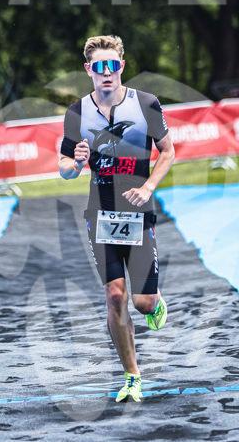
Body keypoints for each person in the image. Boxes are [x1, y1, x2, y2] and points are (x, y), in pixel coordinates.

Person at [59, 35, 175, 403]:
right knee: (114, 295)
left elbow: (168, 152)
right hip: (100, 213)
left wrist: (149, 186)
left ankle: (155, 301)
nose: (106, 72)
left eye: (112, 65)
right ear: (88, 70)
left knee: (142, 303)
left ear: (121, 66)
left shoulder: (146, 104)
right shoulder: (77, 112)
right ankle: (132, 376)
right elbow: (63, 167)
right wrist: (76, 163)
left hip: (138, 211)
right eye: (99, 66)